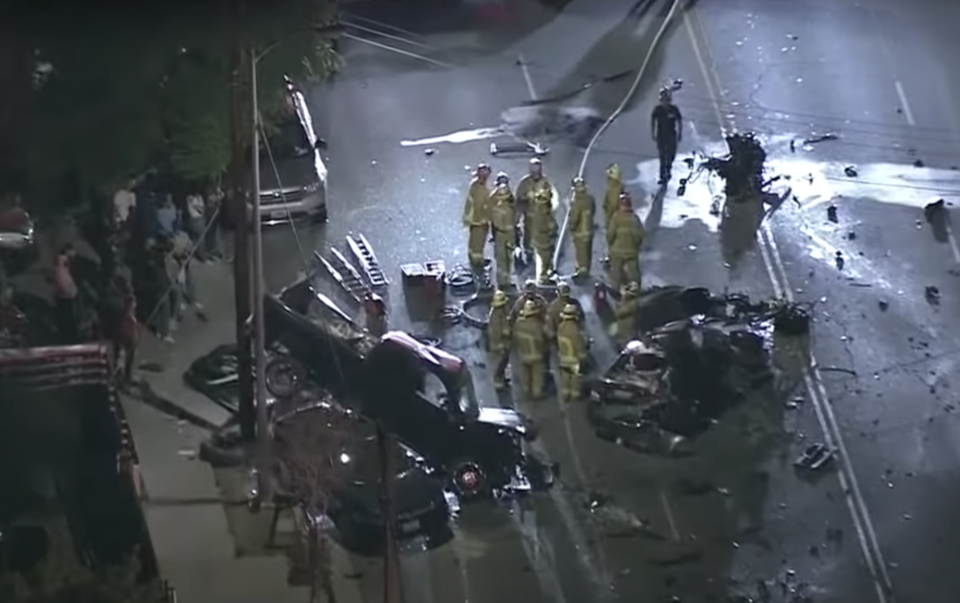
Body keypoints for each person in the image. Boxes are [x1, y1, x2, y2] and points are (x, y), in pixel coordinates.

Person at [606, 192, 645, 290]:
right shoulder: (635, 218)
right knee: (634, 271)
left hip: (617, 251)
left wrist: (610, 245)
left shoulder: (616, 217)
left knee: (616, 271)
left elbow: (610, 234)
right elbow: (640, 235)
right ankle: (635, 288)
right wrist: (636, 246)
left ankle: (615, 288)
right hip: (631, 251)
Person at [515, 158, 552, 253]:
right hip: (530, 213)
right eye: (533, 169)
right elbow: (519, 198)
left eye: (537, 168)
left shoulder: (544, 181)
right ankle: (528, 248)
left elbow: (549, 195)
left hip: (541, 212)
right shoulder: (525, 182)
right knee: (529, 231)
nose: (535, 171)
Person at [512, 300, 546, 400]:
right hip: (536, 355)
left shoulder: (518, 323)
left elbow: (515, 338)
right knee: (537, 375)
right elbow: (541, 339)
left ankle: (526, 390)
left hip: (523, 354)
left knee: (525, 374)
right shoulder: (537, 324)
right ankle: (536, 393)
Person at [462, 163, 492, 275]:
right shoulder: (479, 189)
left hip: (475, 220)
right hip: (479, 221)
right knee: (478, 243)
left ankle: (474, 258)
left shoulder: (476, 185)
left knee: (474, 241)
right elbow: (480, 206)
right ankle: (477, 262)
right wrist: (486, 219)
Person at [651, 87, 683, 185]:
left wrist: (680, 133)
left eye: (666, 100)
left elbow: (679, 121)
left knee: (670, 155)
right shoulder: (657, 110)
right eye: (663, 100)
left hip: (671, 136)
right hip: (661, 136)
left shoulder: (674, 110)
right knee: (662, 156)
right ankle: (662, 176)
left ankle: (668, 169)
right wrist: (653, 133)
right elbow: (653, 121)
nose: (665, 102)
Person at [555, 304, 587, 402]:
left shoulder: (560, 327)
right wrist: (583, 360)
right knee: (575, 381)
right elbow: (580, 348)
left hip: (563, 359)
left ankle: (565, 397)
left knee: (565, 379)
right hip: (574, 361)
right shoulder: (576, 330)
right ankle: (574, 399)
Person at [489, 173, 516, 289]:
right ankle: (502, 282)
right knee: (501, 259)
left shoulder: (510, 205)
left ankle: (507, 280)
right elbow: (495, 222)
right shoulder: (497, 208)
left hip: (508, 234)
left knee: (508, 258)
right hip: (501, 234)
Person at [529, 182, 557, 284]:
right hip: (544, 240)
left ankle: (543, 275)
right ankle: (542, 279)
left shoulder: (537, 209)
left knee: (543, 258)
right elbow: (549, 226)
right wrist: (553, 229)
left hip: (539, 239)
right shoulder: (543, 212)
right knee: (544, 259)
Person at [568, 177, 596, 278]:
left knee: (581, 252)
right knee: (587, 250)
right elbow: (593, 210)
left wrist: (571, 226)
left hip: (579, 232)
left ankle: (582, 270)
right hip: (589, 230)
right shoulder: (590, 198)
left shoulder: (576, 202)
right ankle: (587, 268)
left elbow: (574, 218)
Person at [53, 244, 79, 342]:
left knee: (66, 319)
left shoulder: (61, 264)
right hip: (66, 296)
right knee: (68, 319)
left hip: (64, 295)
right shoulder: (63, 262)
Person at [486, 290, 512, 389]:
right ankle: (498, 382)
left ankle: (502, 378)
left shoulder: (496, 312)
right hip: (500, 344)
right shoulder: (498, 316)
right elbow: (503, 331)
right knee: (500, 363)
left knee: (503, 362)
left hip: (499, 343)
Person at [601, 164, 622, 265]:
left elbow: (612, 205)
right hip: (614, 218)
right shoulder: (615, 186)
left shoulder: (613, 188)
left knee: (612, 237)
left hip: (613, 218)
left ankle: (612, 258)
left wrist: (609, 220)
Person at [612, 281, 640, 346]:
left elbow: (620, 313)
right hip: (625, 325)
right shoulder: (628, 301)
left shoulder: (633, 303)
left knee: (628, 338)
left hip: (628, 326)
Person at [185, 191, 207, 261]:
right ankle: (202, 257)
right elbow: (201, 210)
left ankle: (195, 255)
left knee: (195, 239)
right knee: (200, 239)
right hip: (197, 219)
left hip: (194, 218)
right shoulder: (192, 198)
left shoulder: (195, 197)